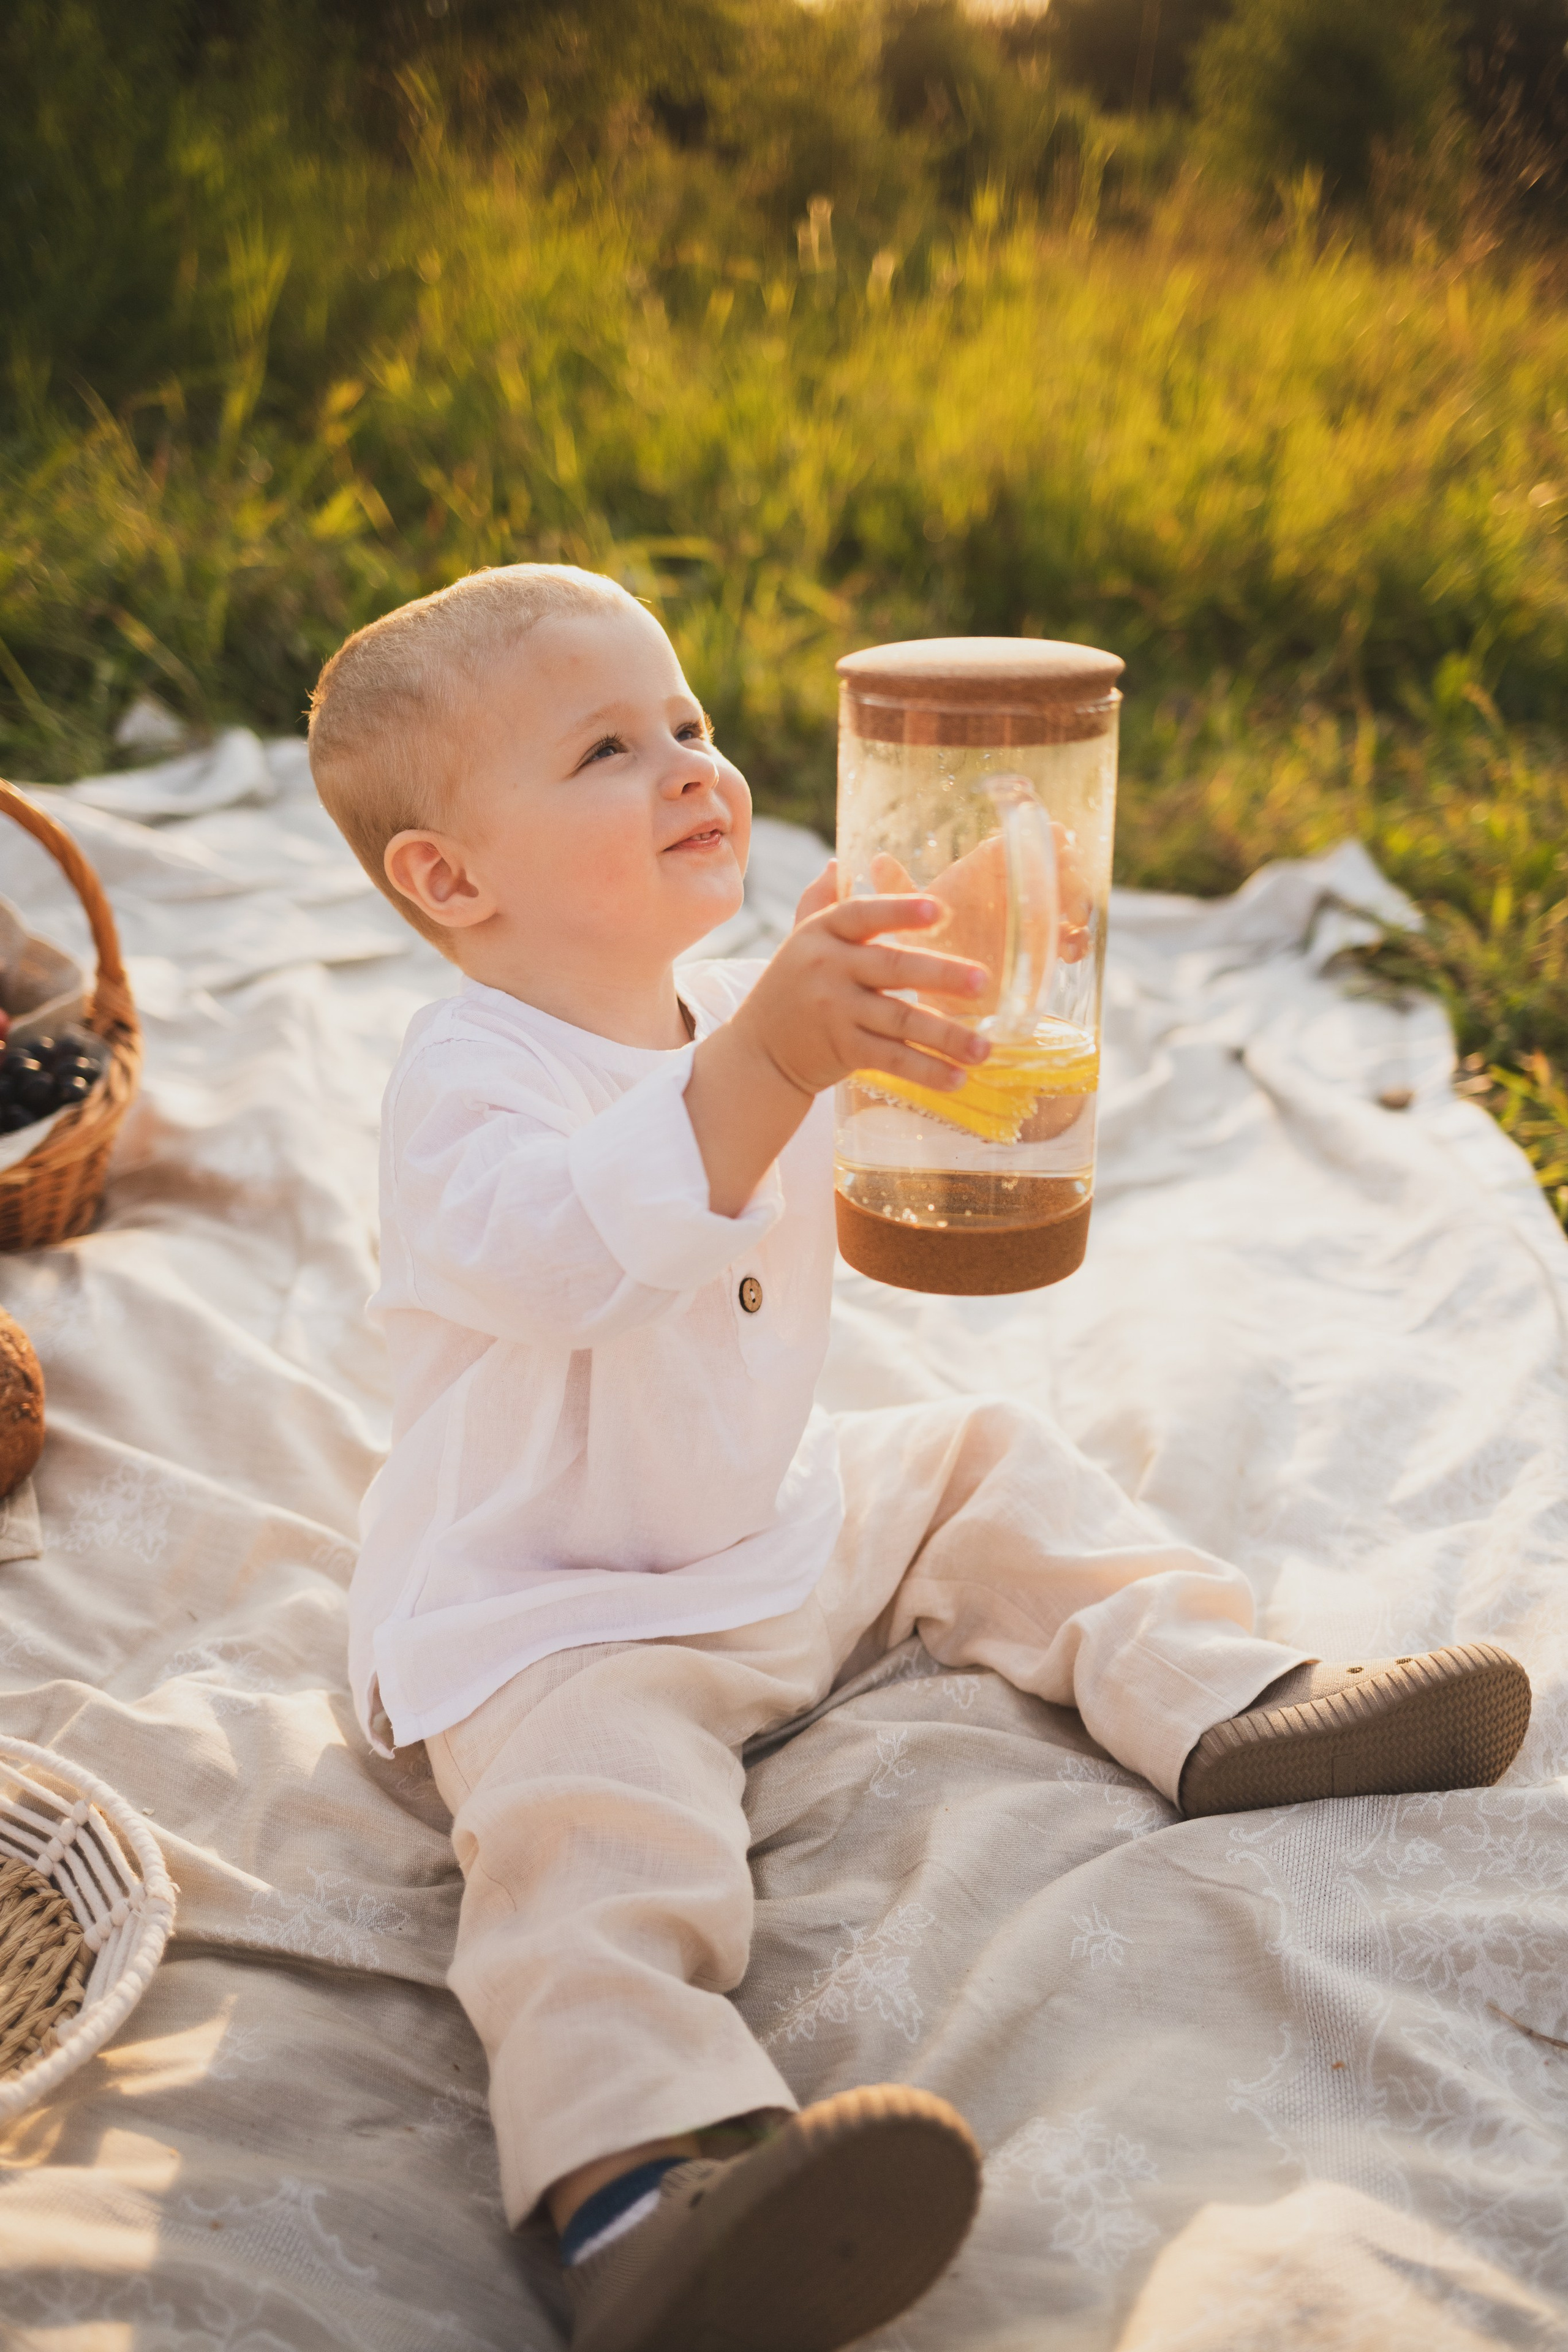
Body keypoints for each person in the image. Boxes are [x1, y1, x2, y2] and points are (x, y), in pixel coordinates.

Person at [307, 565, 1531, 2352]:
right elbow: (577, 1247)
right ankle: (642, 2185)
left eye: (695, 726)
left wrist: (968, 1023)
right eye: (607, 747)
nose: (691, 767)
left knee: (976, 1457)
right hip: (554, 1610)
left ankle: (1225, 1697)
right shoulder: (466, 1078)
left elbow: (907, 1112)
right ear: (451, 876)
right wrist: (772, 1052)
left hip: (764, 1527)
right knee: (590, 1850)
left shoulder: (726, 999)